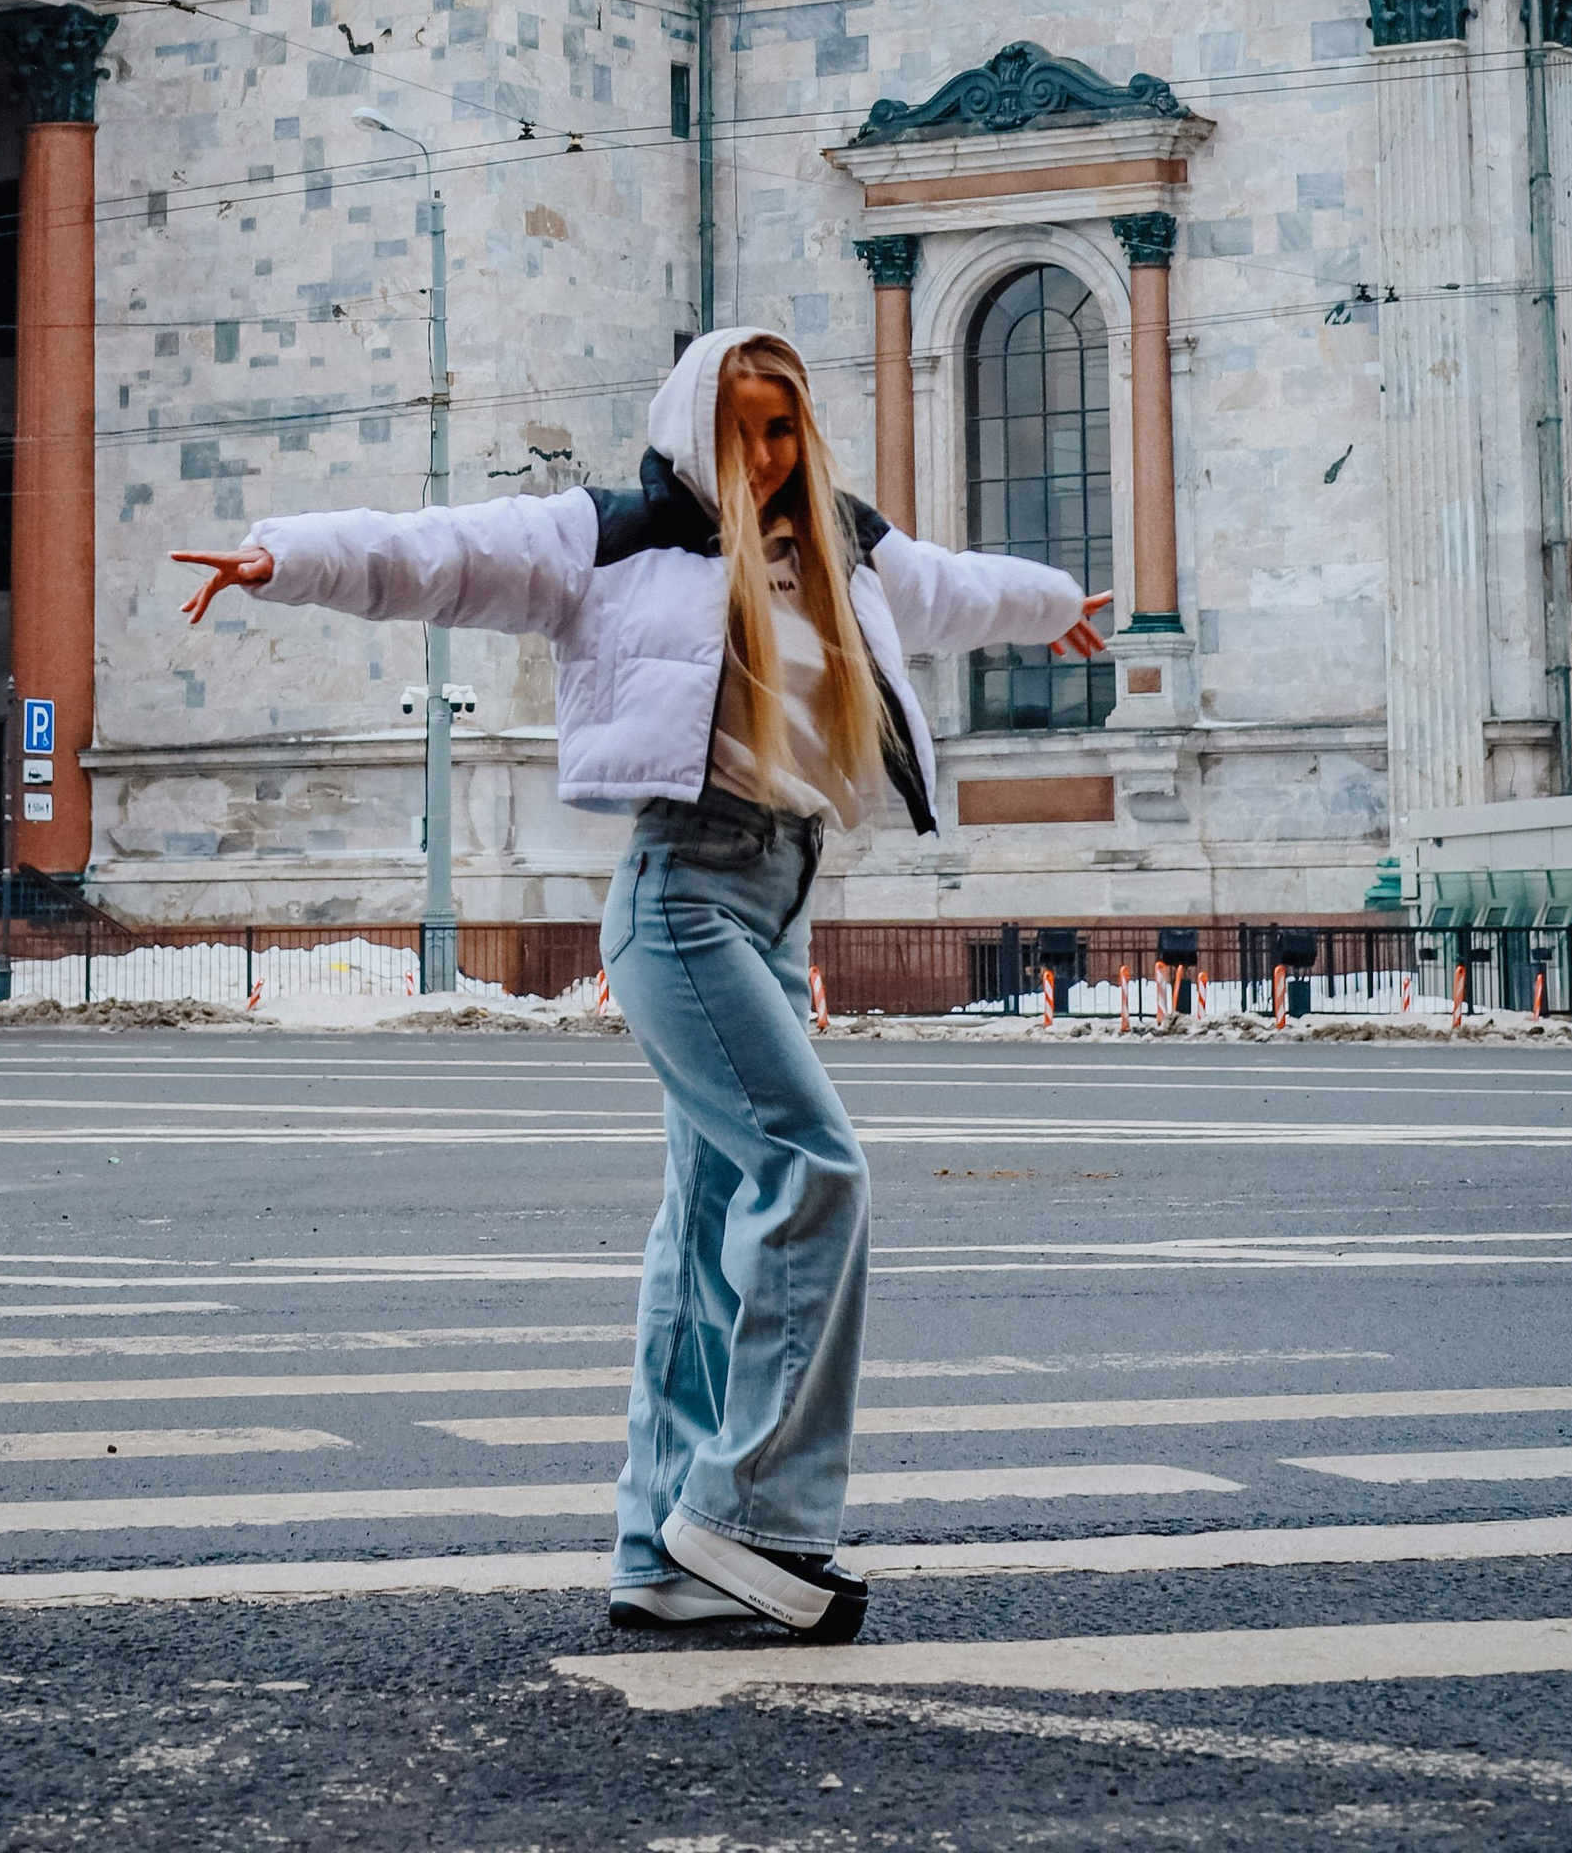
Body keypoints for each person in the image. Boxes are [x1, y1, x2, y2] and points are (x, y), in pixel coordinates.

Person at [178, 319, 1107, 1644]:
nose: (769, 451)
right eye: (744, 425)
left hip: (777, 904)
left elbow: (954, 591)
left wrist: (1055, 601)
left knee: (703, 1234)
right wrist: (289, 556)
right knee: (816, 1166)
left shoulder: (845, 546)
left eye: (784, 424)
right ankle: (750, 1517)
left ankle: (655, 1550)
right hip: (680, 901)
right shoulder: (616, 535)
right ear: (694, 424)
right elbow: (443, 555)